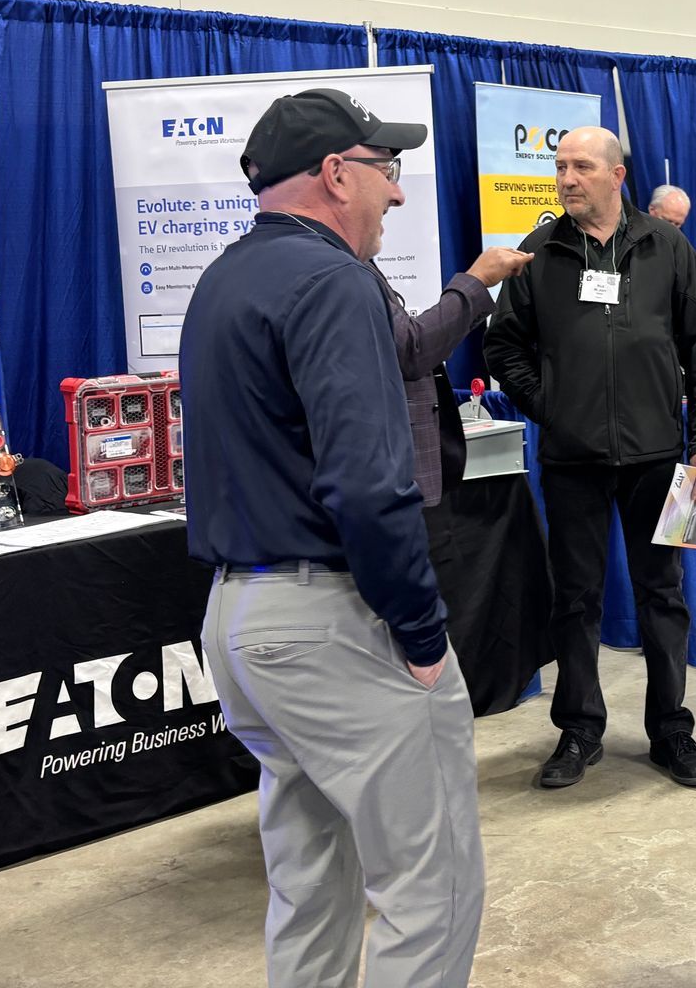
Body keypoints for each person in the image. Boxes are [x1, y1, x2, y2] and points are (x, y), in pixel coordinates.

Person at [181, 87, 483, 988]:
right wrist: (421, 636)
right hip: (333, 623)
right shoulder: (335, 281)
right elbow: (366, 482)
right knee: (430, 887)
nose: (397, 192)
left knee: (309, 883)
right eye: (386, 170)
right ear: (335, 173)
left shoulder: (224, 277)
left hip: (240, 619)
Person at [484, 126, 696, 790]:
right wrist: (552, 406)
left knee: (664, 596)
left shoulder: (667, 247)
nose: (567, 178)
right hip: (573, 460)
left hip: (661, 460)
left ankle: (671, 728)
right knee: (575, 599)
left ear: (617, 176)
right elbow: (502, 347)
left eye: (581, 167)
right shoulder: (542, 251)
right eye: (560, 166)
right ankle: (579, 729)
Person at [372, 247, 531, 509]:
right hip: (391, 474)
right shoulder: (343, 269)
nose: (381, 229)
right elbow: (414, 348)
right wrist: (478, 279)